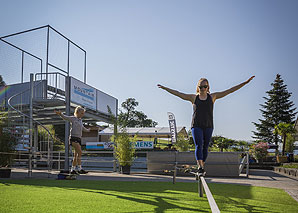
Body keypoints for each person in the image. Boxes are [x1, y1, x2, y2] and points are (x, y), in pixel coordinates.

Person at [158, 76, 255, 175]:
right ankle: (200, 166)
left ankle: (202, 165)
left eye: (205, 86)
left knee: (205, 147)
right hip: (196, 125)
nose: (203, 89)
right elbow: (178, 94)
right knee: (199, 145)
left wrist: (245, 83)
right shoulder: (193, 98)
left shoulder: (213, 97)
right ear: (198, 87)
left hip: (208, 125)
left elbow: (229, 91)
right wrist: (165, 88)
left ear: (208, 87)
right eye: (201, 87)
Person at [55, 106, 90, 175]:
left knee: (76, 155)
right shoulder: (73, 118)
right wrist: (60, 114)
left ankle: (73, 169)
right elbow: (65, 117)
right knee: (80, 152)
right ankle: (80, 169)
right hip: (73, 138)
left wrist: (87, 130)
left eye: (83, 113)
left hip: (79, 138)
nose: (82, 115)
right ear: (77, 112)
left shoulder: (80, 120)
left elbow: (82, 128)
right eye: (81, 113)